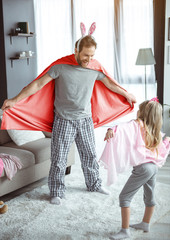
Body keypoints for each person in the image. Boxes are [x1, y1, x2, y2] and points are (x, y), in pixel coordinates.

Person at [1, 23, 136, 206]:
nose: (89, 59)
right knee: (59, 158)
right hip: (64, 120)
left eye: (92, 55)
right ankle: (56, 191)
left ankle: (94, 184)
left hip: (85, 119)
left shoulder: (95, 68)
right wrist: (15, 100)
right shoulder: (61, 66)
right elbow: (38, 85)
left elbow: (110, 84)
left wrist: (127, 94)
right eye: (86, 55)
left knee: (89, 155)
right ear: (76, 50)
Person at [100, 98, 170, 240]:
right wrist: (168, 140)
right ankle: (145, 223)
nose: (137, 111)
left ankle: (124, 231)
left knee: (124, 197)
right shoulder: (154, 129)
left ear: (143, 113)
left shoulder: (137, 124)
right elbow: (161, 149)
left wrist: (111, 129)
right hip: (153, 167)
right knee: (149, 196)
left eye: (139, 109)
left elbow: (122, 128)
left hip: (143, 168)